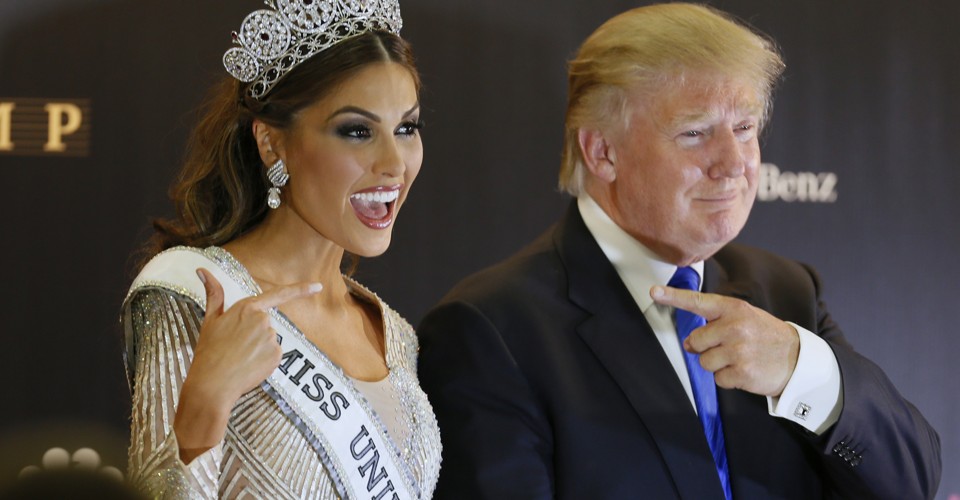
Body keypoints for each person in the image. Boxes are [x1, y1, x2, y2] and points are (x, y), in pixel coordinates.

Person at [416, 3, 941, 499]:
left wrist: (800, 370)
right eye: (694, 133)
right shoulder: (491, 330)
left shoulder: (785, 291)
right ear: (602, 152)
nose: (734, 163)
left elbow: (912, 481)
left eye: (744, 128)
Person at [120, 1, 441, 498]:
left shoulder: (394, 334)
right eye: (357, 131)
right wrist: (207, 398)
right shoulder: (197, 296)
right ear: (272, 144)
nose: (394, 164)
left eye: (406, 128)